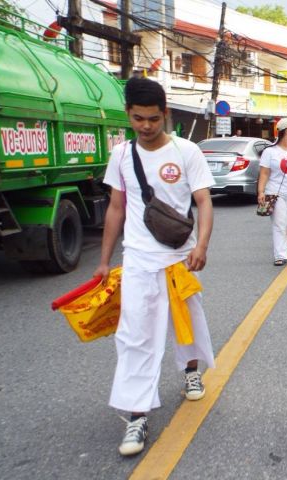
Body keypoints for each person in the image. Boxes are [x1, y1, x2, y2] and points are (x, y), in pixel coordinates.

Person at [94, 77, 216, 456]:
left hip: (179, 257)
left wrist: (203, 245)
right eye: (137, 118)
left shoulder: (187, 151)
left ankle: (191, 373)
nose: (145, 126)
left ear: (165, 114)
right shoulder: (121, 155)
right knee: (134, 337)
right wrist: (103, 261)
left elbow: (203, 201)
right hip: (138, 260)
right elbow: (116, 208)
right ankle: (137, 417)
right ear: (128, 115)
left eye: (152, 118)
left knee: (187, 323)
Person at [258, 117, 287, 266]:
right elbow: (264, 173)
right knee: (279, 223)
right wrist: (261, 192)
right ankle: (280, 254)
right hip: (275, 192)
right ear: (286, 131)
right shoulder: (270, 152)